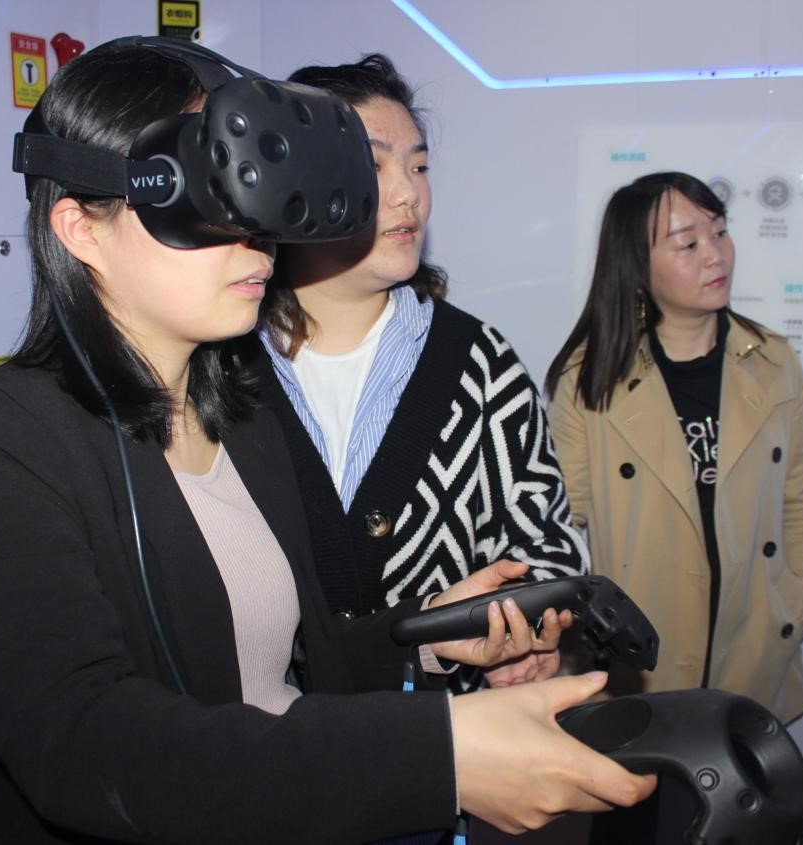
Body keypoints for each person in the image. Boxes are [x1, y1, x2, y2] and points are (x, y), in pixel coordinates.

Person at [0, 38, 654, 844]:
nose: (255, 238)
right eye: (213, 200)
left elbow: (298, 667)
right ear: (81, 229)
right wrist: (436, 756)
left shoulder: (242, 419)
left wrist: (427, 636)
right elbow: (81, 741)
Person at [251, 54, 585, 692]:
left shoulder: (479, 363)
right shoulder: (222, 368)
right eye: (373, 165)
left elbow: (549, 549)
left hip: (445, 734)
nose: (409, 193)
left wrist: (524, 633)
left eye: (419, 166)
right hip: (267, 740)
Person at [544, 172, 803, 725]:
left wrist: (801, 599)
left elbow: (802, 496)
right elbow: (559, 528)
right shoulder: (591, 379)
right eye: (688, 243)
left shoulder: (773, 363)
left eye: (719, 232)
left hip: (752, 649)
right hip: (639, 660)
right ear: (637, 265)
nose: (715, 255)